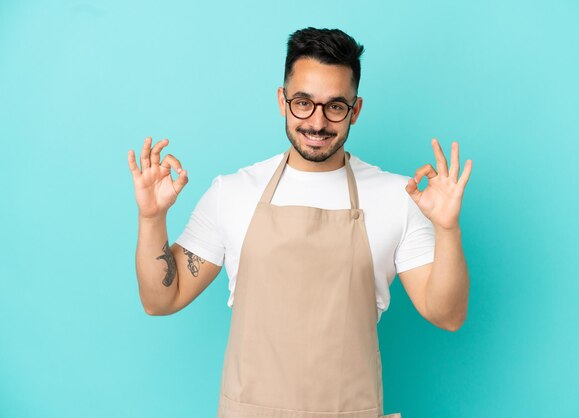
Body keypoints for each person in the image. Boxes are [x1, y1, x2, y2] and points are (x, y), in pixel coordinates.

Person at [128, 27, 472, 418]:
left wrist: (448, 230)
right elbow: (161, 300)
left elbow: (448, 315)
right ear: (282, 100)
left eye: (335, 106)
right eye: (303, 103)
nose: (317, 122)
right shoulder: (233, 193)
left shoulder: (398, 197)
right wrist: (152, 217)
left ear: (355, 110)